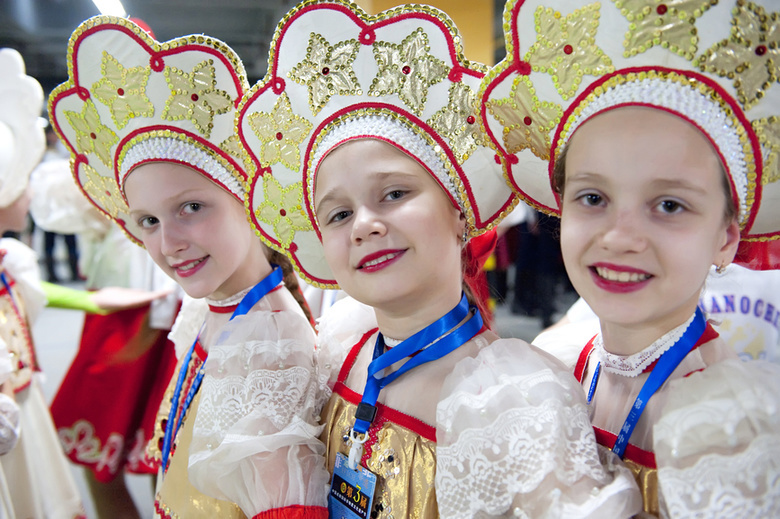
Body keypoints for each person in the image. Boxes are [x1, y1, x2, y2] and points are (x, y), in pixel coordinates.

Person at [238, 1, 641, 517]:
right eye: (338, 215)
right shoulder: (337, 350)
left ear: (459, 213)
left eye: (393, 194)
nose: (364, 224)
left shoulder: (514, 402)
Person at [479, 0, 780, 515]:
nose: (621, 237)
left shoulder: (732, 434)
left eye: (668, 205)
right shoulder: (558, 363)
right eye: (593, 198)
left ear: (726, 238)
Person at [49, 16, 328, 519]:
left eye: (191, 207)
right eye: (148, 220)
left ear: (248, 195)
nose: (168, 242)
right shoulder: (216, 306)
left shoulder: (267, 348)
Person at [29, 150, 181, 519]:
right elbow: (54, 204)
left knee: (167, 462)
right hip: (119, 305)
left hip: (178, 308)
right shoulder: (98, 157)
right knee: (102, 454)